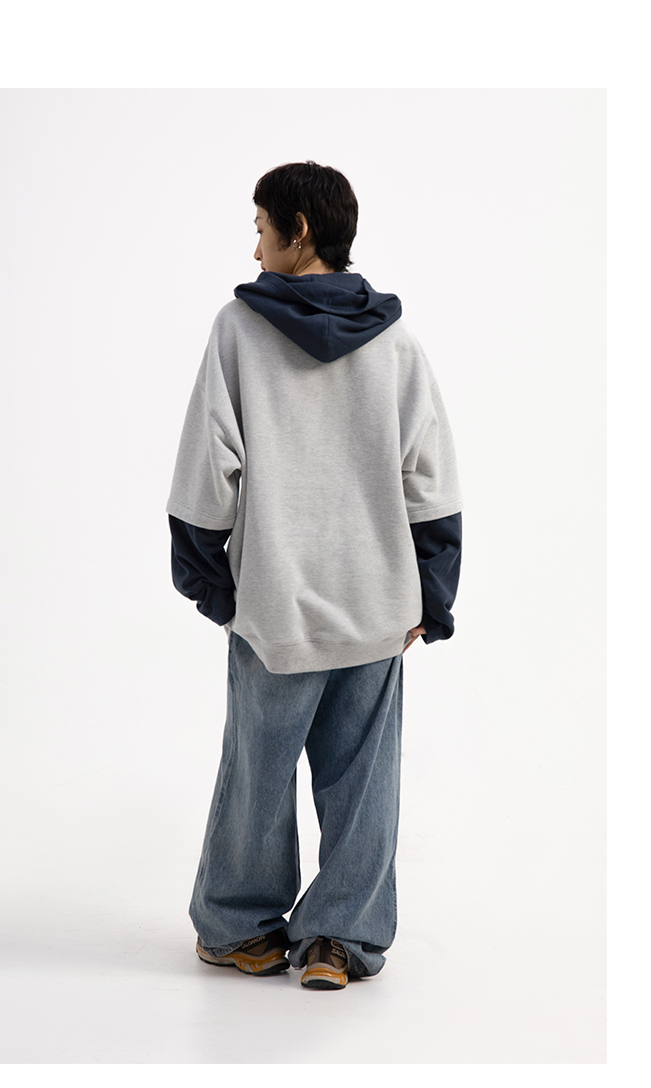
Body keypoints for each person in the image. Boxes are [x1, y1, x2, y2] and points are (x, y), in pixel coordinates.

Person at [166, 161, 462, 990]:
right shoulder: (396, 344)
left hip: (276, 603)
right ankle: (339, 939)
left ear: (299, 233)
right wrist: (433, 597)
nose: (255, 245)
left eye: (262, 228)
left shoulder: (239, 330)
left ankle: (240, 928)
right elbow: (430, 480)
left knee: (256, 776)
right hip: (377, 603)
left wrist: (211, 584)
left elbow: (206, 469)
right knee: (363, 780)